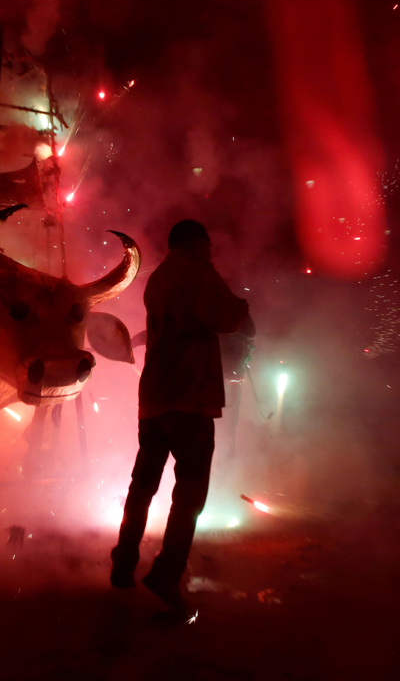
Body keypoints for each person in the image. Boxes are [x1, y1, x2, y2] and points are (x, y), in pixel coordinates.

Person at [110, 219, 253, 611]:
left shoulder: (158, 278)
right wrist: (242, 305)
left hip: (155, 398)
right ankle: (166, 572)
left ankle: (123, 561)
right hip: (191, 399)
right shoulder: (199, 273)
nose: (211, 253)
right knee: (189, 494)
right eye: (208, 246)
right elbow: (228, 318)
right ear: (196, 243)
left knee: (142, 486)